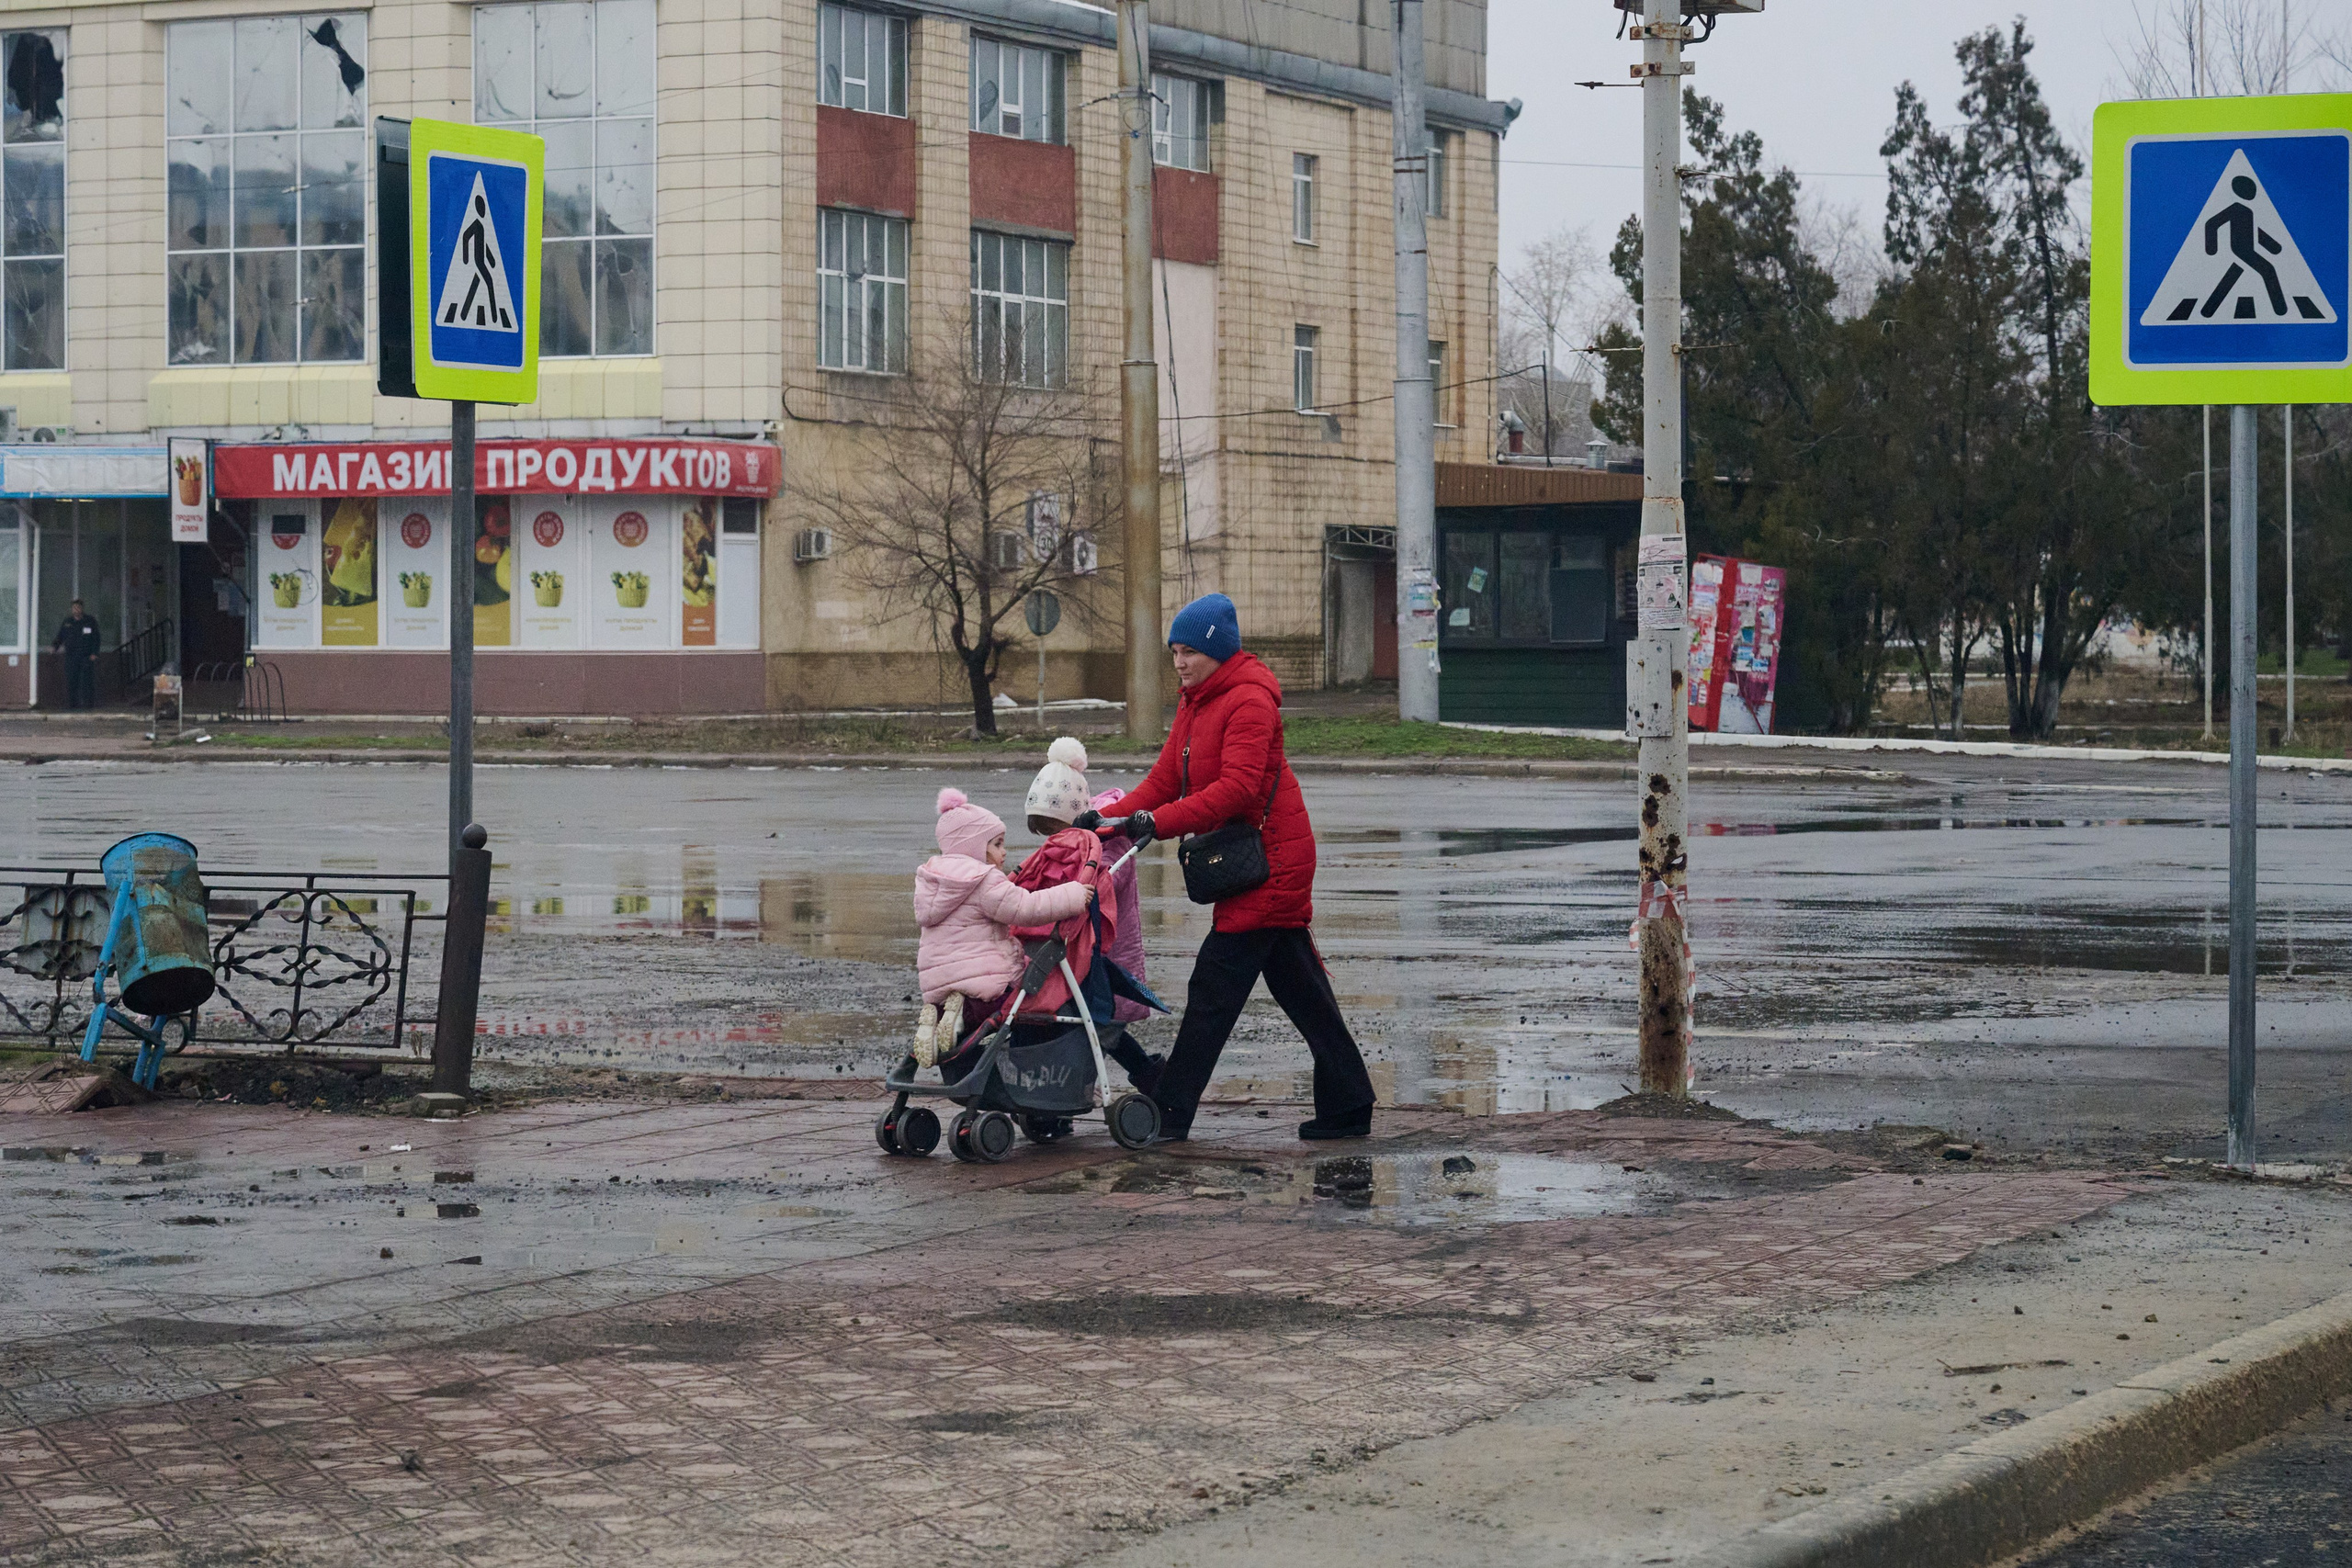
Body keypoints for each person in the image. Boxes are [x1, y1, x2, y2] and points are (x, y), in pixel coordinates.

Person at [1085, 592, 1375, 1142]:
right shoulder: (1196, 702)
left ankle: (1170, 1113)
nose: (1179, 663)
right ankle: (1349, 1104)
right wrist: (1105, 819)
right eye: (1174, 652)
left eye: (1189, 651)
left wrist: (1154, 822)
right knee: (1302, 990)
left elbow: (1237, 790)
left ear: (1217, 650)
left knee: (1213, 989)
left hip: (1271, 862)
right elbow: (1162, 781)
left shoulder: (1250, 700)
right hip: (1250, 860)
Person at [1014, 737, 1164, 1094]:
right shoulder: (1070, 843)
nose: (1051, 841)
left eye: (1054, 831)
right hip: (1072, 944)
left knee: (1103, 1024)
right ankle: (1059, 1093)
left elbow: (1099, 884)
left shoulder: (1108, 847)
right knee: (1075, 1022)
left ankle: (1152, 1079)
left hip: (1105, 949)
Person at [912, 786, 1093, 1065]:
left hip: (938, 985)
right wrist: (1072, 896)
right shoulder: (984, 881)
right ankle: (963, 1017)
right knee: (1013, 1003)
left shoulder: (933, 879)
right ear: (973, 847)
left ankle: (937, 1017)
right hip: (982, 982)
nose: (1004, 852)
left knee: (966, 1011)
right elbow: (1027, 907)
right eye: (996, 844)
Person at [51, 598, 100, 710]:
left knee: (86, 680)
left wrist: (94, 653)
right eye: (74, 608)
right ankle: (73, 705)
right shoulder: (68, 622)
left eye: (78, 607)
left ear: (82, 608)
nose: (76, 610)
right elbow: (60, 636)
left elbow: (96, 638)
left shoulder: (89, 621)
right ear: (71, 609)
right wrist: (55, 647)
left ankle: (88, 705)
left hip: (86, 656)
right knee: (72, 680)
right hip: (71, 656)